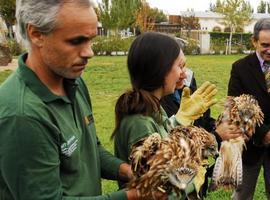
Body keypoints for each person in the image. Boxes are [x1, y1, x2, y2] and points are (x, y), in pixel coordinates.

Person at [0, 0, 144, 199]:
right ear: (36, 34)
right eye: (76, 41)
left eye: (90, 40)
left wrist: (128, 171)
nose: (89, 52)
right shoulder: (22, 116)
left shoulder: (73, 82)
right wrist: (133, 196)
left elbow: (90, 150)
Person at [111, 32, 218, 195]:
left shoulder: (151, 107)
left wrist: (180, 120)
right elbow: (156, 190)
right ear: (160, 69)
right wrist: (191, 180)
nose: (184, 73)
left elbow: (163, 144)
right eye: (180, 66)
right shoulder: (140, 123)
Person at [228, 18, 270, 200]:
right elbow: (234, 107)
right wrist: (263, 133)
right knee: (242, 195)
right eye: (265, 45)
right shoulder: (240, 68)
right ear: (254, 41)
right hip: (249, 147)